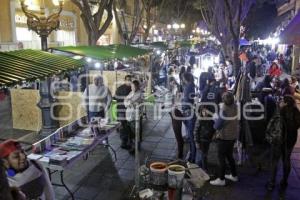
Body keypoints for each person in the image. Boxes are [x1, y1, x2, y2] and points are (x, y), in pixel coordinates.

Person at [267, 96, 300, 191]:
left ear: (284, 102)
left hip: (278, 138)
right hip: (291, 138)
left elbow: (273, 123)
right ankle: (284, 181)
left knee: (275, 160)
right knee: (287, 159)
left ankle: (272, 182)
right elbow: (298, 124)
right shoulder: (296, 111)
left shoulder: (280, 110)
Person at [210, 92, 239, 186]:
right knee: (230, 156)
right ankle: (234, 176)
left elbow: (217, 126)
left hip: (225, 137)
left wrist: (215, 118)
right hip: (233, 135)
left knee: (221, 157)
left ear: (224, 101)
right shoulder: (235, 106)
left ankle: (221, 179)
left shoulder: (224, 110)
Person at [124, 80, 143, 153]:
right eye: (132, 86)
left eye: (134, 86)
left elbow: (131, 102)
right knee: (131, 133)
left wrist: (128, 101)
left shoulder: (139, 94)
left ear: (137, 86)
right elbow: (125, 102)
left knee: (136, 133)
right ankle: (133, 146)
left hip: (135, 116)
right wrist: (128, 101)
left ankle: (136, 148)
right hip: (129, 116)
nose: (132, 88)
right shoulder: (131, 93)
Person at [194, 106, 215, 171]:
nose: (205, 113)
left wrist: (213, 135)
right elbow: (195, 131)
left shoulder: (211, 120)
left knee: (205, 154)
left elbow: (213, 129)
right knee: (202, 155)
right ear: (201, 112)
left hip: (207, 140)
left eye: (206, 112)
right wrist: (197, 142)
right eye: (203, 111)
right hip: (201, 140)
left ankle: (201, 167)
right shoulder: (200, 120)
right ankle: (203, 168)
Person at [182, 72, 196, 163]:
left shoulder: (189, 86)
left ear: (185, 78)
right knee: (190, 137)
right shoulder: (190, 85)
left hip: (189, 113)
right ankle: (191, 155)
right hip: (188, 112)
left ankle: (192, 158)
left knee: (191, 137)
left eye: (183, 78)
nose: (182, 79)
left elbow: (187, 100)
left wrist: (183, 103)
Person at [115, 75, 132, 149]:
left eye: (130, 79)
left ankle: (128, 140)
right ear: (125, 80)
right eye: (128, 79)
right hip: (122, 109)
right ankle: (124, 141)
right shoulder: (120, 88)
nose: (129, 81)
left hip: (128, 110)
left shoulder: (132, 88)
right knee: (123, 126)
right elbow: (116, 97)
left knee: (127, 125)